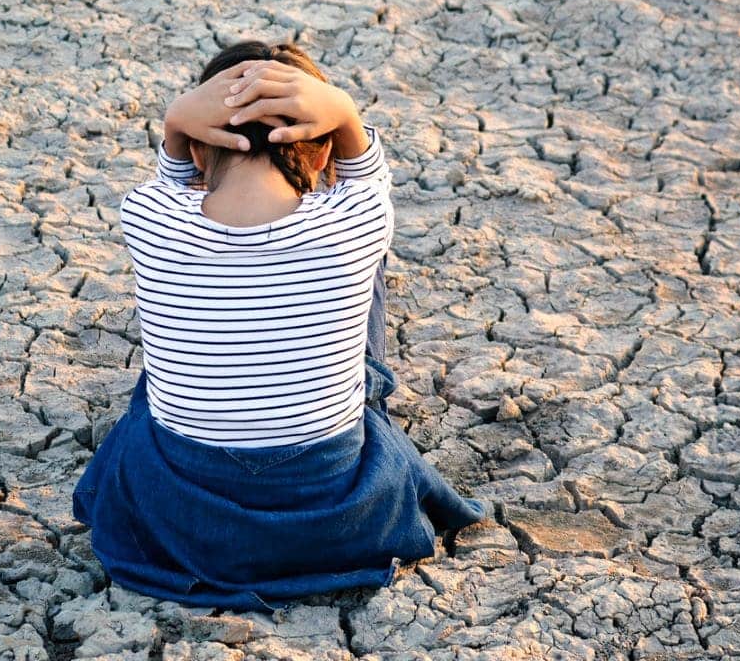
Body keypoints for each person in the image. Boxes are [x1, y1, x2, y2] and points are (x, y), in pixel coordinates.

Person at [71, 39, 489, 611]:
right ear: (321, 155)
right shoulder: (358, 217)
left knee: (151, 396)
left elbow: (172, 181)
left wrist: (175, 123)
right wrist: (341, 109)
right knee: (367, 272)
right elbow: (366, 170)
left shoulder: (147, 213)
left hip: (183, 519)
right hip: (331, 513)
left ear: (195, 150)